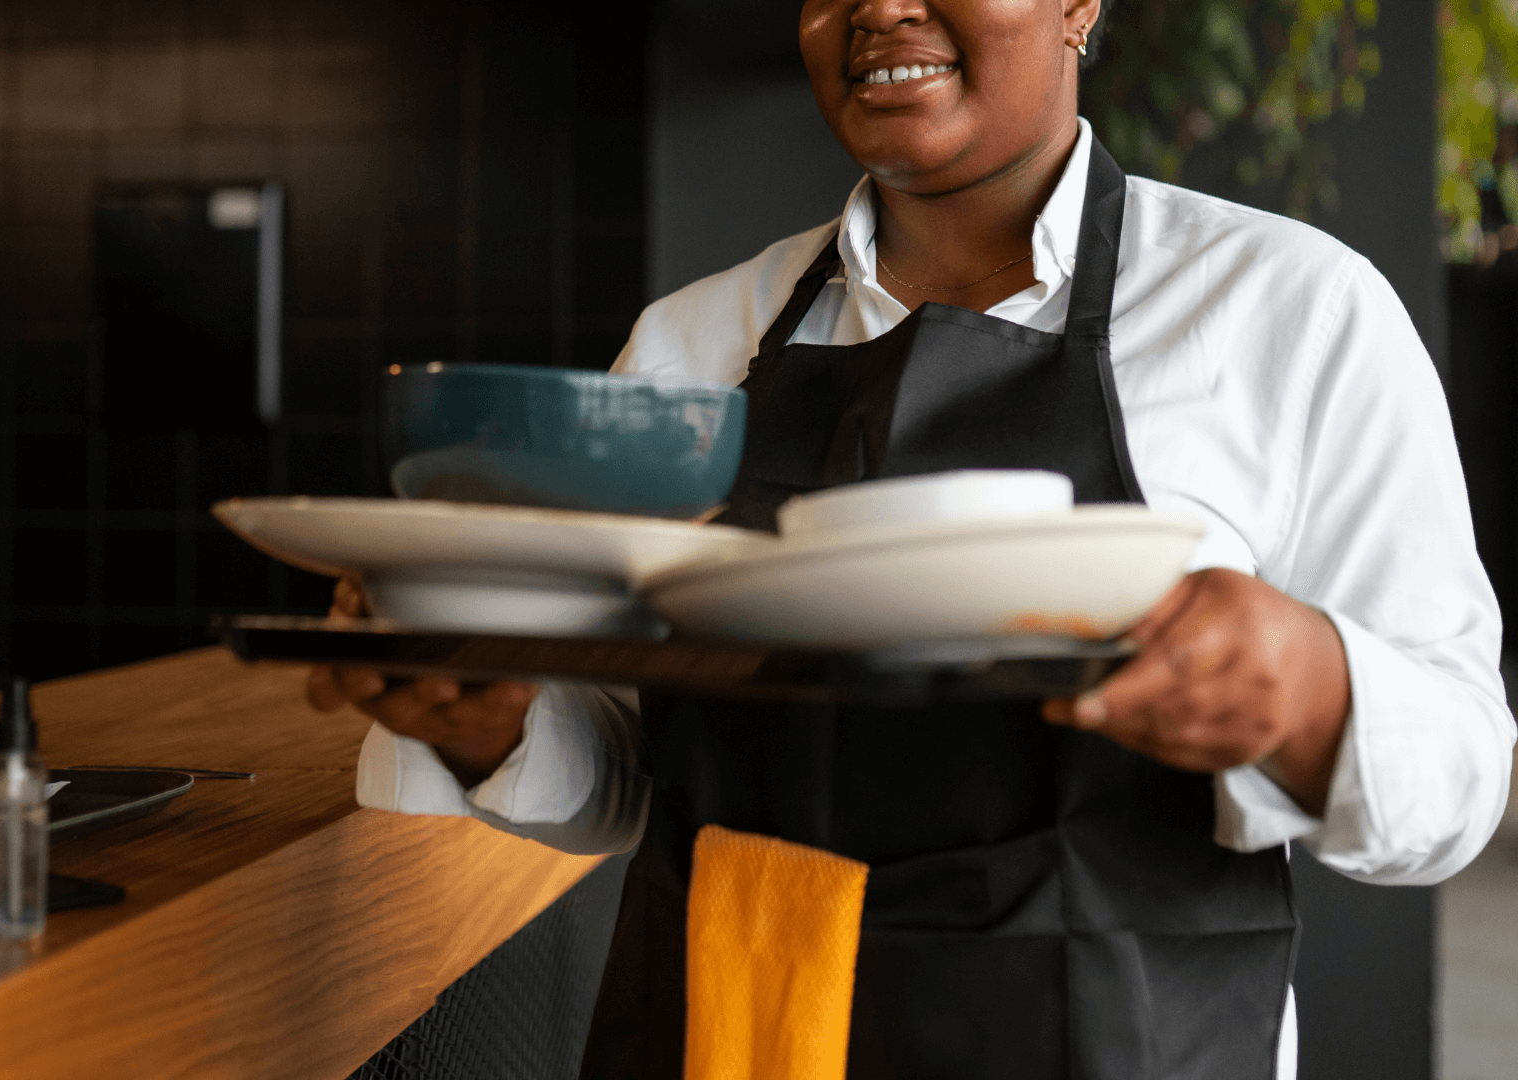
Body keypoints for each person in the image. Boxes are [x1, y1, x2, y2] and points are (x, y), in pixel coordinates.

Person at [312, 0, 1517, 1076]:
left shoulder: (1288, 309)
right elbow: (633, 773)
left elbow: (1460, 780)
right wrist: (496, 719)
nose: (880, 9)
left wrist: (1310, 691)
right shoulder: (690, 344)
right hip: (730, 1033)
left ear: (1078, 7)